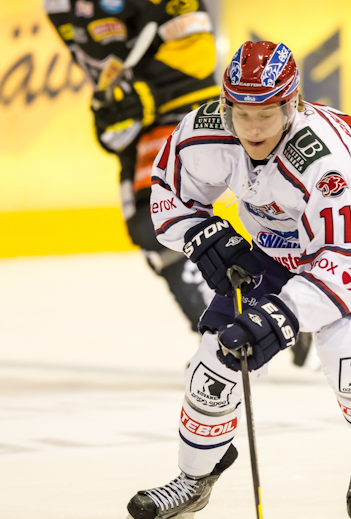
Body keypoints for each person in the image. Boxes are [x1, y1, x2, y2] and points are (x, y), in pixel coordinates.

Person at [120, 40, 351, 519]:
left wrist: (280, 319)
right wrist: (202, 234)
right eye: (241, 114)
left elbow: (342, 265)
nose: (253, 129)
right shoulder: (203, 133)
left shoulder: (327, 162)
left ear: (293, 104)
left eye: (267, 114)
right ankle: (193, 479)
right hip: (276, 245)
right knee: (215, 367)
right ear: (225, 106)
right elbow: (168, 195)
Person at [44, 0, 220, 328]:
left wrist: (141, 96)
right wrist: (112, 105)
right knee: (149, 230)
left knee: (162, 219)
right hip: (141, 118)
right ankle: (222, 334)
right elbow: (100, 63)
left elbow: (198, 55)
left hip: (183, 105)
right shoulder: (57, 6)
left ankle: (273, 310)